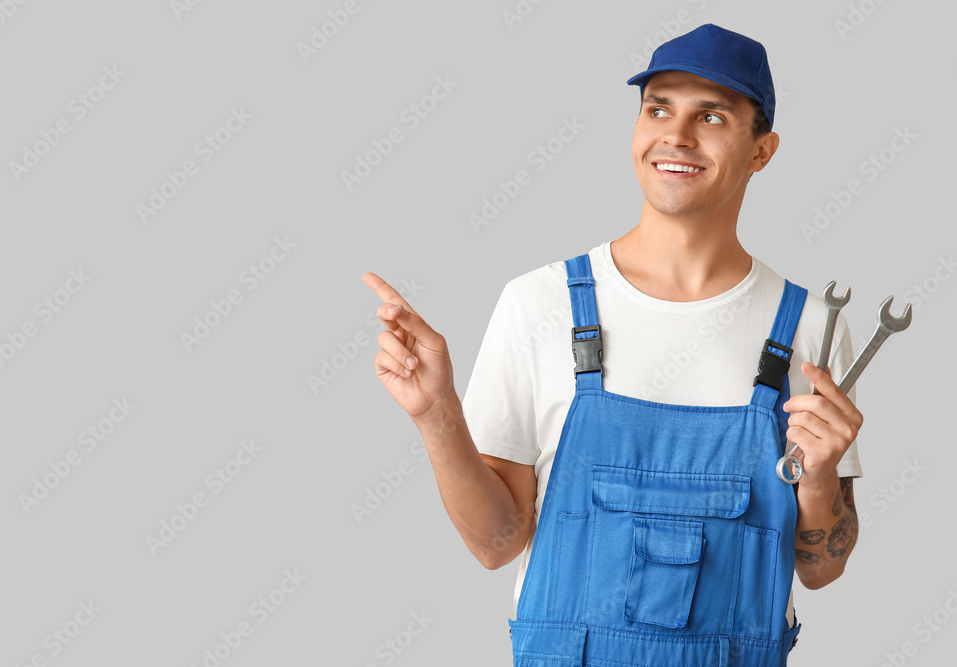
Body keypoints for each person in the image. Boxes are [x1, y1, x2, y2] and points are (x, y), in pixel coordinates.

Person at [363, 24, 862, 666]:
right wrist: (435, 413)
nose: (676, 137)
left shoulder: (811, 328)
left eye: (710, 116)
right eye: (658, 109)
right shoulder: (539, 304)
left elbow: (821, 568)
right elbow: (497, 543)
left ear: (762, 150)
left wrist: (818, 478)